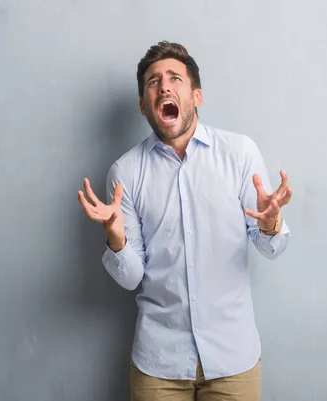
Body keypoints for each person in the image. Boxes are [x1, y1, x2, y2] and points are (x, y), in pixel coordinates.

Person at [78, 41, 292, 401]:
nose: (164, 86)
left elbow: (272, 247)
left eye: (175, 78)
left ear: (196, 95)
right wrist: (116, 238)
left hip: (232, 360)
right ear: (144, 105)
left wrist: (270, 224)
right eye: (152, 82)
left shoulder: (239, 154)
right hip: (158, 365)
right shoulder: (125, 173)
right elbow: (130, 278)